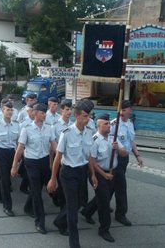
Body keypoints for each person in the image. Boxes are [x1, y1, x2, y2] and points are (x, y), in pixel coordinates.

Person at [47, 100, 97, 248]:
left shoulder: (89, 132)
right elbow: (58, 158)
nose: (87, 119)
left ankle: (59, 221)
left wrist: (93, 174)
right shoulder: (66, 133)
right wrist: (53, 179)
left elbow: (89, 156)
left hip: (82, 171)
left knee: (81, 202)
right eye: (85, 116)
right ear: (76, 116)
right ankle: (74, 243)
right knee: (73, 209)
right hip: (68, 173)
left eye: (89, 116)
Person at [11, 103, 57, 234]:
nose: (44, 115)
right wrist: (14, 166)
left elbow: (54, 145)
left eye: (45, 113)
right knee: (37, 192)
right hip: (31, 163)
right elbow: (20, 148)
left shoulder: (49, 128)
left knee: (46, 187)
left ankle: (27, 207)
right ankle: (39, 222)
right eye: (42, 113)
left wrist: (63, 157)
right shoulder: (27, 128)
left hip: (44, 161)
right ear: (35, 114)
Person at [87, 113, 127, 242]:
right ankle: (104, 229)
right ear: (99, 126)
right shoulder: (94, 140)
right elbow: (92, 161)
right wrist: (104, 175)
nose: (109, 126)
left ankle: (87, 211)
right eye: (105, 124)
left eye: (109, 123)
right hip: (99, 174)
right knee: (104, 202)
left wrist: (118, 149)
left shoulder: (113, 138)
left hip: (112, 172)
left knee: (105, 196)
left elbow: (124, 152)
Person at [110, 100, 143, 226]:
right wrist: (119, 148)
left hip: (125, 159)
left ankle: (89, 210)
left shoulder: (129, 123)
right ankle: (120, 214)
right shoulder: (114, 124)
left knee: (112, 187)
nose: (131, 110)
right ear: (122, 110)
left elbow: (131, 141)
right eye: (129, 109)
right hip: (116, 159)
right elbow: (110, 141)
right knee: (121, 187)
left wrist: (137, 155)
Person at [0, 99, 20, 216]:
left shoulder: (17, 124)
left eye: (11, 110)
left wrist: (19, 155)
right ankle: (7, 206)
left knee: (9, 176)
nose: (10, 112)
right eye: (7, 110)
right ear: (2, 110)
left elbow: (18, 142)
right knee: (6, 179)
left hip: (12, 153)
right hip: (1, 153)